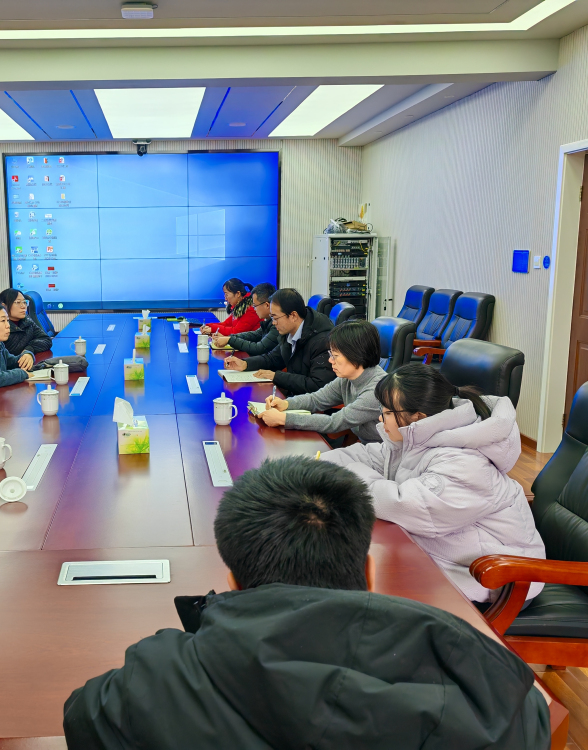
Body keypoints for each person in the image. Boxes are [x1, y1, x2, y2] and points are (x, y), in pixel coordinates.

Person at [63, 457, 551, 749]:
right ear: (368, 573)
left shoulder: (150, 683)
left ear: (233, 581)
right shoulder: (495, 695)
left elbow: (83, 716)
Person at [320, 363, 546, 606]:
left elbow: (406, 505)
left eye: (387, 412)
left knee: (356, 587)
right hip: (448, 556)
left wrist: (344, 477)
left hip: (497, 580)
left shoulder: (465, 462)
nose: (380, 418)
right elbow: (372, 456)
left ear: (418, 418)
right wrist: (315, 464)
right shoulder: (419, 436)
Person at [260, 320, 386, 442]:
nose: (330, 360)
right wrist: (286, 404)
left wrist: (284, 419)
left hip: (382, 452)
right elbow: (317, 399)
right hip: (365, 447)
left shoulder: (376, 391)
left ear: (356, 355)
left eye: (335, 356)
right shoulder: (348, 378)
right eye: (331, 354)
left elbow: (334, 422)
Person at [223, 288, 334, 396]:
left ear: (293, 316)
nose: (273, 323)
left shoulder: (322, 341)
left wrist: (276, 376)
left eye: (275, 318)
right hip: (295, 396)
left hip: (308, 403)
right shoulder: (289, 330)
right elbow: (273, 358)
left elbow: (317, 385)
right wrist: (245, 364)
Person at [210, 282, 279, 356]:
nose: (254, 309)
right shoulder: (268, 321)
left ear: (267, 305)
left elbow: (258, 348)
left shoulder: (277, 324)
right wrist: (228, 338)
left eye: (255, 305)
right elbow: (254, 335)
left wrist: (229, 339)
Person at [0, 289, 52, 372]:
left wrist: (29, 350)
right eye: (18, 302)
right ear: (4, 306)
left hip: (26, 368)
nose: (23, 306)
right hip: (9, 373)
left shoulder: (26, 320)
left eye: (24, 302)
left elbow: (46, 339)